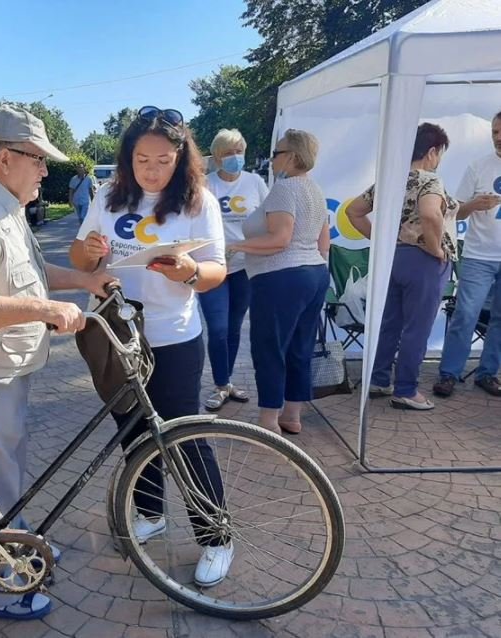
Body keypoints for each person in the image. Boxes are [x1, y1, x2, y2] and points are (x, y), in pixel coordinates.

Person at [0, 104, 116, 620]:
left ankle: (17, 547)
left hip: (8, 366)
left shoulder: (6, 206)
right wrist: (46, 310)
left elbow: (33, 274)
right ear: (5, 157)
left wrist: (83, 282)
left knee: (8, 468)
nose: (45, 170)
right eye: (38, 159)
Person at [69, 105, 234, 587]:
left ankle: (216, 535)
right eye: (143, 159)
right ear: (128, 158)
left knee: (186, 440)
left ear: (181, 157)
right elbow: (79, 257)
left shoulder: (197, 201)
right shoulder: (108, 195)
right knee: (133, 432)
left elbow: (216, 272)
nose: (152, 169)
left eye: (163, 160)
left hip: (174, 335)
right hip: (118, 335)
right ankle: (150, 513)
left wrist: (190, 272)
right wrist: (92, 252)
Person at [346, 123, 460, 410]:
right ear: (432, 151)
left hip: (393, 258)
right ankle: (407, 390)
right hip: (423, 261)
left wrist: (383, 238)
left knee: (391, 323)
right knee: (417, 328)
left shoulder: (390, 180)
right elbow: (430, 213)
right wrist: (435, 248)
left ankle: (379, 378)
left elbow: (353, 211)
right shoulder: (431, 181)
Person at [228, 129, 330, 434]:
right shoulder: (316, 190)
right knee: (299, 346)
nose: (273, 159)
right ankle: (291, 415)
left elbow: (280, 239)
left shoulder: (284, 190)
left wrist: (236, 246)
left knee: (269, 348)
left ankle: (268, 420)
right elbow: (323, 242)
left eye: (277, 152)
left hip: (280, 277)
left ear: (293, 157)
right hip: (314, 273)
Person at [199, 129, 269, 411]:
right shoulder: (206, 185)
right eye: (229, 152)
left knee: (233, 327)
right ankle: (219, 384)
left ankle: (226, 383)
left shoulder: (255, 182)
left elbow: (268, 216)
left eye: (239, 151)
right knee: (217, 329)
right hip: (213, 267)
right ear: (217, 157)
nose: (235, 157)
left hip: (245, 267)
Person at [433, 112, 501, 398]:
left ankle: (487, 374)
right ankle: (449, 374)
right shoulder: (478, 167)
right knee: (466, 315)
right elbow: (456, 210)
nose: (498, 137)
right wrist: (473, 204)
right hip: (478, 256)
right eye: (495, 132)